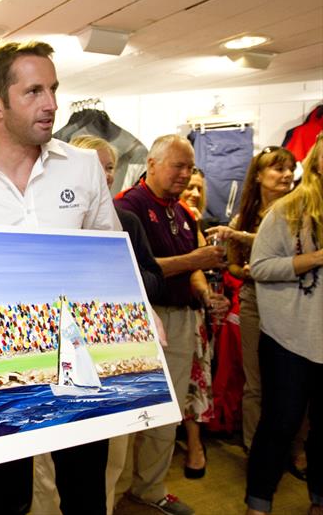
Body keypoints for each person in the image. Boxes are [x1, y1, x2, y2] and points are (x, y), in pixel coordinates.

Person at [0, 41, 120, 515]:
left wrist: (138, 310)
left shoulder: (84, 166)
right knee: (3, 495)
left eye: (53, 89)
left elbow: (111, 256)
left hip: (78, 356)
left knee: (85, 491)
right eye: (33, 91)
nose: (51, 104)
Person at [115, 134, 230, 515]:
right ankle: (112, 498)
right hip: (145, 319)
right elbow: (136, 269)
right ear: (151, 163)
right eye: (177, 166)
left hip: (181, 319)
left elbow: (193, 266)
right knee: (128, 416)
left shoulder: (182, 211)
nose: (185, 174)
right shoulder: (128, 207)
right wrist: (194, 259)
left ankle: (150, 491)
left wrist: (203, 293)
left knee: (168, 412)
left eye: (190, 168)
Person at [70, 135, 166, 514]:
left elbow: (154, 278)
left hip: (114, 352)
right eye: (95, 166)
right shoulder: (55, 222)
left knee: (109, 457)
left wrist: (120, 283)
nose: (104, 175)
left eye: (109, 167)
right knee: (49, 469)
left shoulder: (126, 220)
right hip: (67, 355)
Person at [245, 135, 323, 515]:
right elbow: (259, 268)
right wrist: (313, 259)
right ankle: (259, 503)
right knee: (280, 424)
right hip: (288, 339)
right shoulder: (287, 211)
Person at [209, 147, 295, 455]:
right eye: (278, 169)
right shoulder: (243, 215)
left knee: (291, 382)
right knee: (255, 383)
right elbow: (231, 265)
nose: (286, 175)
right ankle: (255, 448)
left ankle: (292, 450)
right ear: (258, 175)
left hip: (292, 303)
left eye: (290, 169)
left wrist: (242, 238)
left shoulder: (300, 211)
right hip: (254, 300)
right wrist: (244, 270)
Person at [178, 168, 214, 479]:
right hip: (174, 311)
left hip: (195, 311)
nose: (194, 193)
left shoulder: (195, 222)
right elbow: (195, 265)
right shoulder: (172, 219)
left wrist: (207, 294)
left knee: (196, 379)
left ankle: (194, 445)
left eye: (199, 188)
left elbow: (199, 271)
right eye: (189, 187)